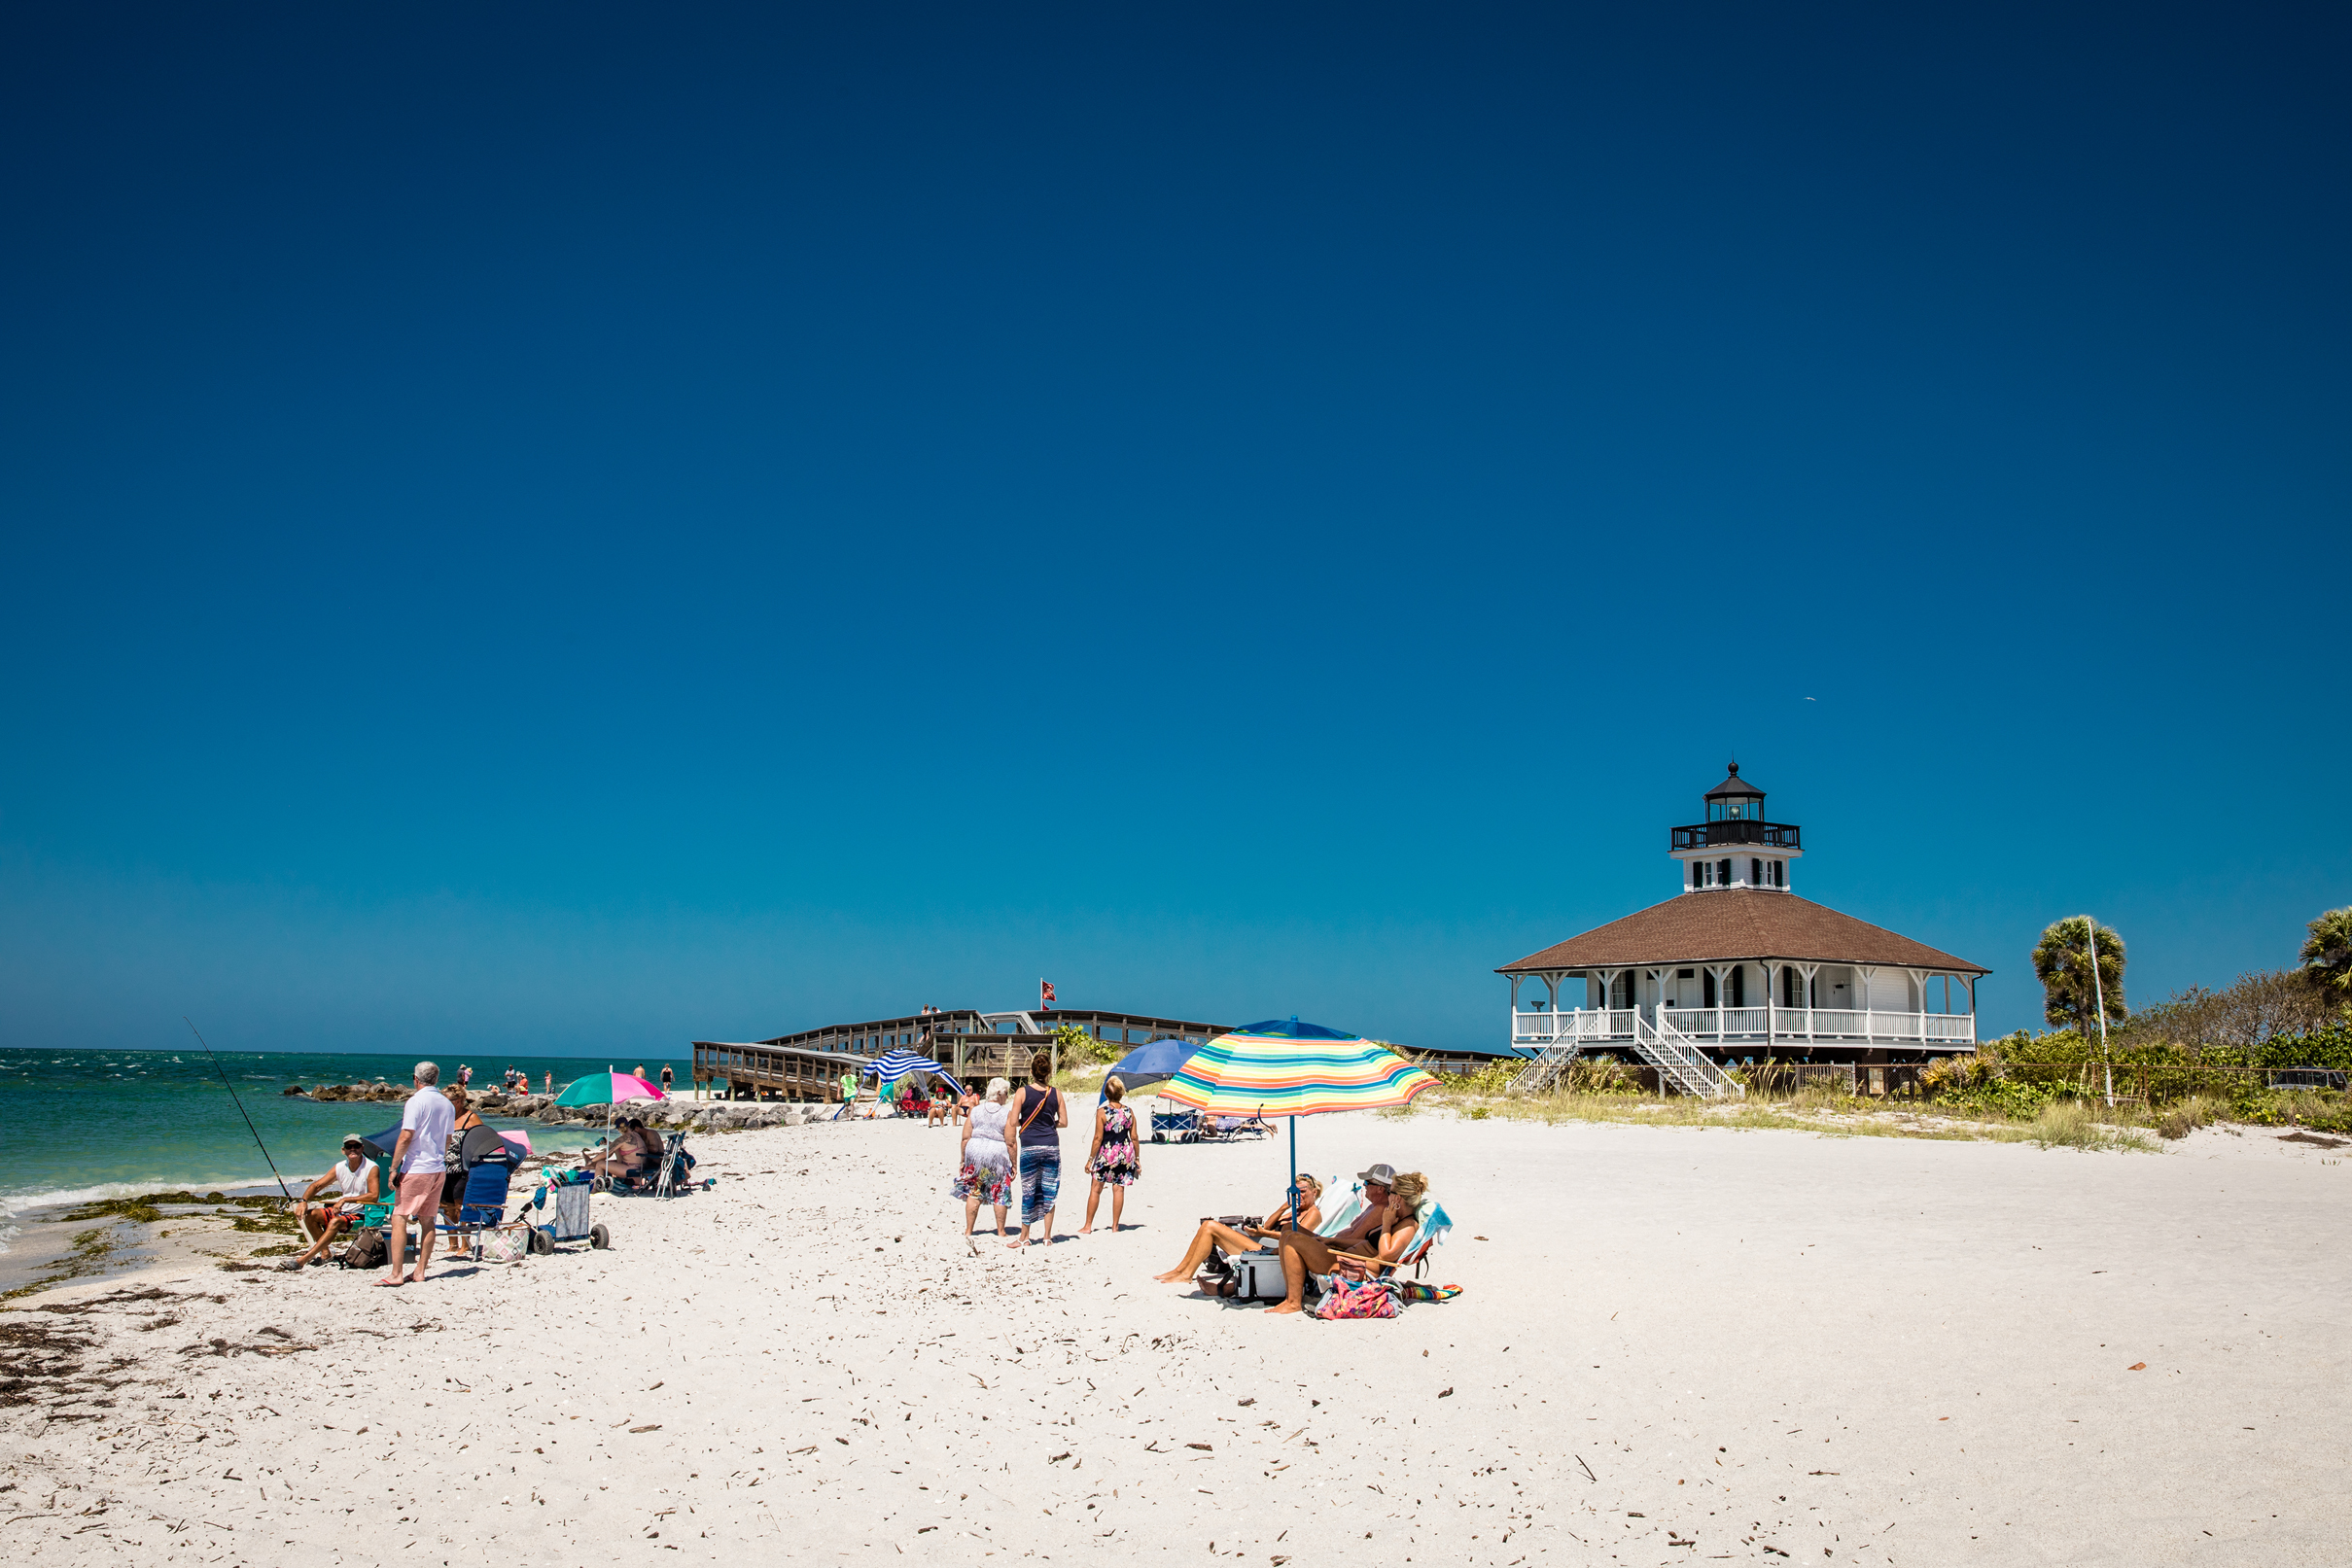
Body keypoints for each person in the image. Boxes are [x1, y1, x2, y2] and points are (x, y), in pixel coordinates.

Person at [1264, 1165, 1425, 1316]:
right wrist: (1333, 1242)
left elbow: (1386, 1255)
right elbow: (1367, 1244)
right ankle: (1290, 1296)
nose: (1388, 1195)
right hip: (1347, 1259)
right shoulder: (1400, 1220)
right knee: (1288, 1233)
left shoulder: (1408, 1226)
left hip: (1356, 1272)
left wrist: (1387, 1223)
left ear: (1398, 1198)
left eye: (1391, 1193)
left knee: (1293, 1239)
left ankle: (1293, 1302)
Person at [1151, 1175, 1322, 1288]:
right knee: (1207, 1226)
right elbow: (1269, 1226)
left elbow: (1298, 1238)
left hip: (1273, 1252)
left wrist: (1262, 1233)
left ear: (1314, 1192)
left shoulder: (1313, 1213)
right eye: (1295, 1192)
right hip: (1263, 1245)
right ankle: (1180, 1270)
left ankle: (1187, 1274)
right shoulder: (1295, 1211)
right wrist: (1285, 1206)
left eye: (1303, 1191)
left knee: (1210, 1226)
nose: (1299, 1195)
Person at [379, 1062, 456, 1286]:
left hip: (417, 1168)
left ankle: (396, 1273)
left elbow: (406, 1135)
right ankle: (420, 1271)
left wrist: (394, 1168)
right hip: (437, 1168)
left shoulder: (416, 1101)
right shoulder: (447, 1104)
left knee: (399, 1217)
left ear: (416, 1079)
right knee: (427, 1220)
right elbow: (448, 1139)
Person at [283, 1135, 381, 1269]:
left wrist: (345, 1199)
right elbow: (317, 1186)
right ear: (343, 1150)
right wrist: (303, 1200)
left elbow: (373, 1196)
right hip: (343, 1210)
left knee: (335, 1221)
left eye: (356, 1146)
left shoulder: (371, 1167)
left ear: (362, 1148)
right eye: (349, 1147)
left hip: (363, 1212)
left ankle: (302, 1260)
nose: (353, 1149)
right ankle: (326, 1253)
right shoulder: (340, 1167)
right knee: (311, 1215)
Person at [1005, 1051, 1068, 1247]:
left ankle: (1024, 1237)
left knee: (1028, 1190)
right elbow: (1064, 1122)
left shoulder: (1022, 1092)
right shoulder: (1056, 1093)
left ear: (1032, 1071)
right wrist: (1050, 1124)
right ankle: (1047, 1237)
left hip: (1030, 1145)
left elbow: (1014, 1121)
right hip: (1050, 1145)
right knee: (1049, 1189)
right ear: (1049, 1072)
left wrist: (1027, 1122)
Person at [952, 1078, 1014, 1237]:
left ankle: (969, 1230)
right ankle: (1000, 1231)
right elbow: (1011, 1142)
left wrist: (963, 1160)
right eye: (1006, 1093)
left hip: (975, 1151)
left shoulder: (976, 1110)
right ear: (1000, 1094)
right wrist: (1014, 1164)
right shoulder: (1007, 1114)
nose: (1007, 1097)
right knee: (999, 1190)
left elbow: (965, 1137)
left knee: (975, 1190)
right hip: (996, 1152)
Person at [1079, 1077, 1141, 1235]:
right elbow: (1134, 1137)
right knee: (1119, 1190)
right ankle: (1115, 1226)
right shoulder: (1129, 1111)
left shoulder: (1102, 1112)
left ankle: (1088, 1226)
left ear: (1106, 1094)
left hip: (1106, 1153)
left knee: (1095, 1189)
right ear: (1121, 1093)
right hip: (1125, 1153)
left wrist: (1090, 1160)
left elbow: (1098, 1138)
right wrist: (1137, 1159)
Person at [439, 1086, 487, 1229]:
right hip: (443, 1168)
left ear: (459, 1101)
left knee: (460, 1207)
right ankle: (452, 1244)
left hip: (463, 1170)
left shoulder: (471, 1118)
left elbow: (484, 1141)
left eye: (447, 1101)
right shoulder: (443, 1118)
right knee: (446, 1208)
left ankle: (464, 1244)